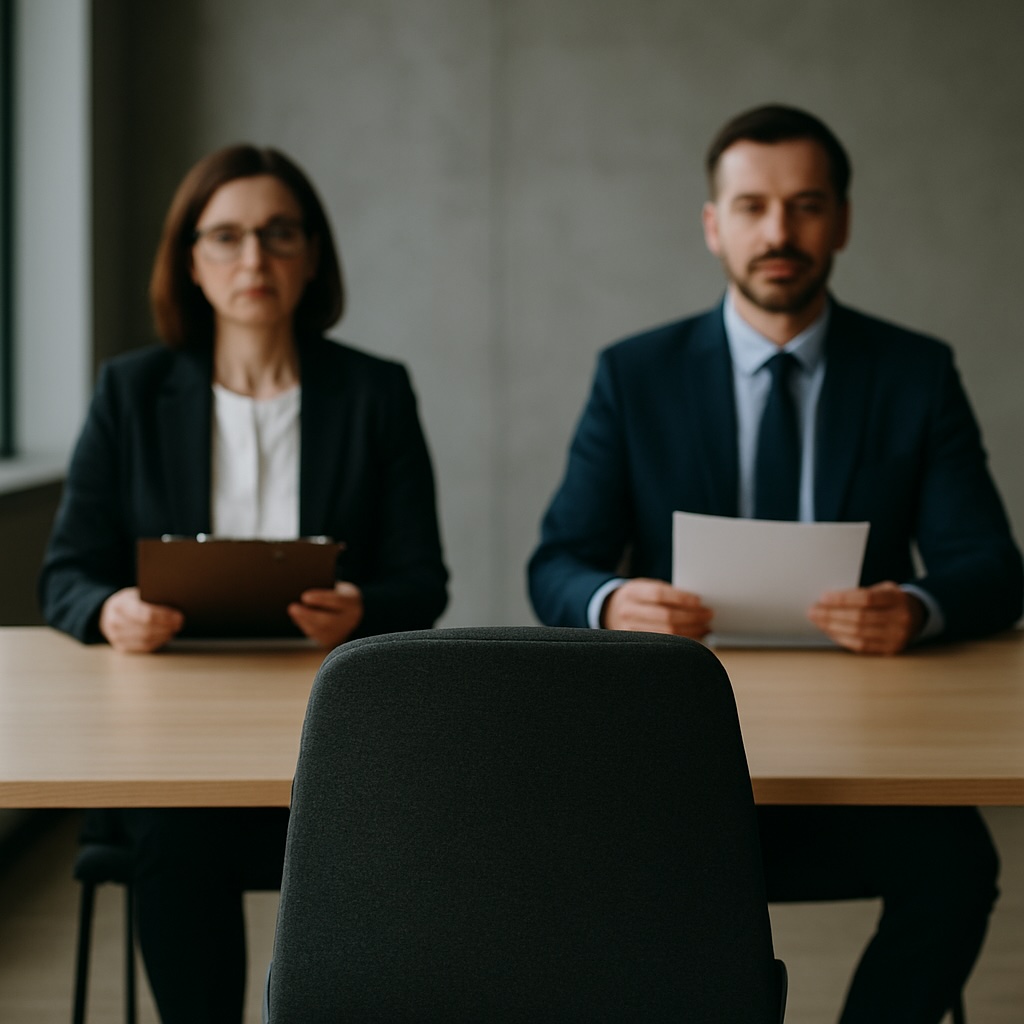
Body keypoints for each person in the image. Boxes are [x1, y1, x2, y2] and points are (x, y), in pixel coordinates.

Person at [528, 105, 1023, 1023]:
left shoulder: (915, 373)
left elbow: (992, 565)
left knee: (960, 871)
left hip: (870, 741)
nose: (779, 233)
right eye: (752, 206)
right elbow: (558, 561)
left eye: (805, 205)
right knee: (613, 881)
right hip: (679, 738)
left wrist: (918, 604)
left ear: (841, 220)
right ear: (714, 224)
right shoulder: (634, 375)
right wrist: (610, 601)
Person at [39, 144, 448, 1023]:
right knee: (176, 832)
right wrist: (109, 610)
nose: (253, 261)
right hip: (175, 731)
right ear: (191, 261)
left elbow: (424, 580)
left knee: (396, 840)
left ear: (312, 255)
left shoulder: (375, 393)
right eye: (225, 237)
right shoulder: (131, 391)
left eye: (278, 235)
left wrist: (364, 608)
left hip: (335, 718)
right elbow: (65, 573)